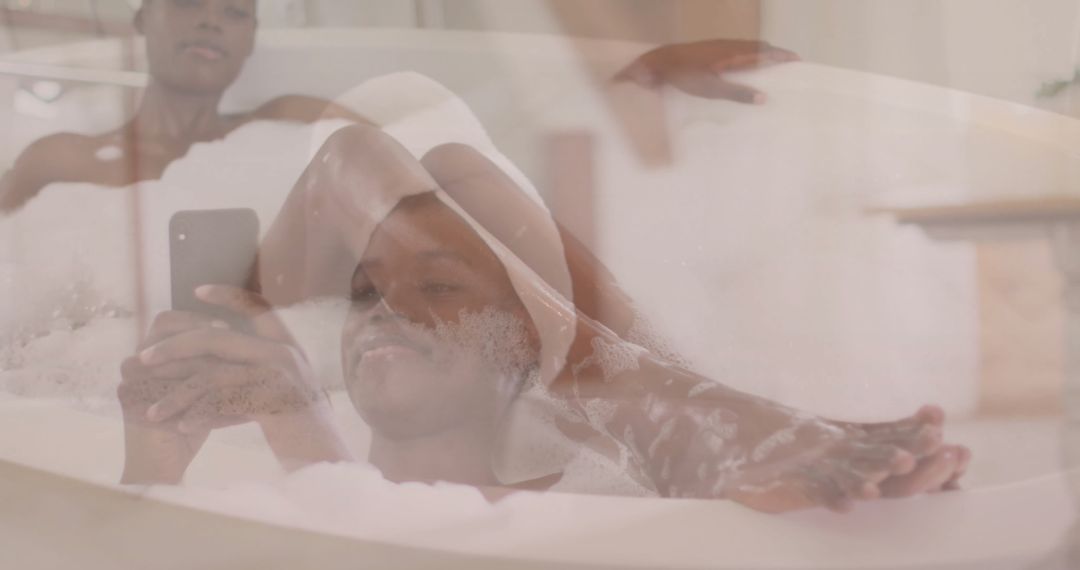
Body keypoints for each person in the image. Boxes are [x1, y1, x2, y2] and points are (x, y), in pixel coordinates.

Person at [118, 122, 969, 513]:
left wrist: (300, 434)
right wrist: (161, 464)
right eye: (366, 293)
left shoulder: (573, 513)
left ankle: (658, 390)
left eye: (438, 289)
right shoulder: (273, 473)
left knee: (441, 162)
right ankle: (668, 393)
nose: (387, 313)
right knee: (411, 158)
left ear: (524, 340)